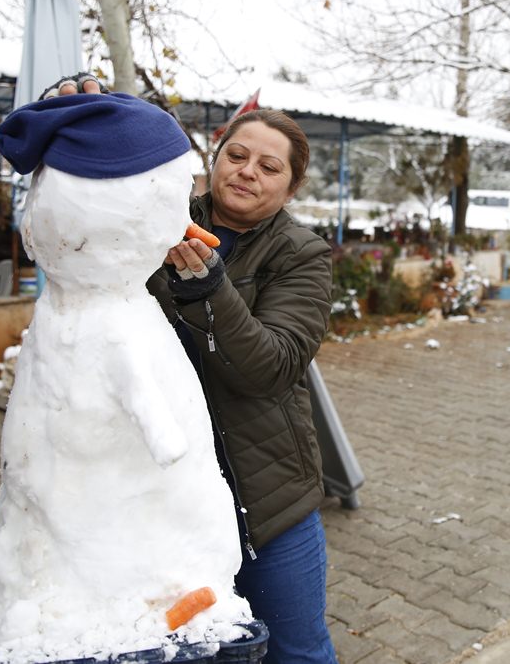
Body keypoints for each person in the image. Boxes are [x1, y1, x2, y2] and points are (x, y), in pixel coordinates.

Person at [46, 74, 337, 663]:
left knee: (296, 652)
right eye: (237, 154)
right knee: (189, 647)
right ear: (215, 156)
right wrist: (85, 118)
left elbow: (270, 369)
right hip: (159, 496)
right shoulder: (158, 216)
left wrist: (209, 287)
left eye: (269, 167)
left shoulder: (300, 254)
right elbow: (91, 209)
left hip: (263, 499)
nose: (247, 171)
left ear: (291, 186)